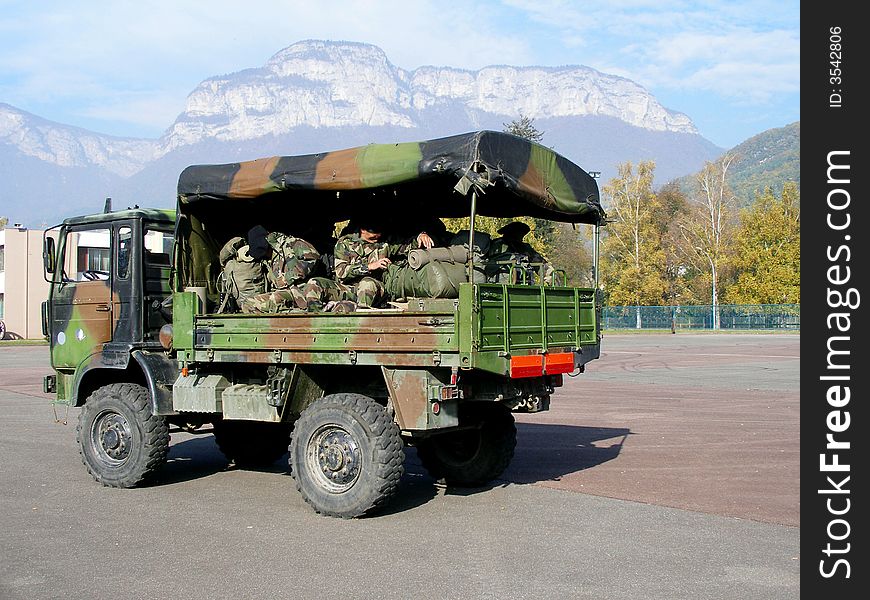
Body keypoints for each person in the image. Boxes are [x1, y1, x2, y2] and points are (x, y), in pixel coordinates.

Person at [333, 221, 434, 307]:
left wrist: (419, 237)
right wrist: (369, 266)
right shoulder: (344, 244)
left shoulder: (386, 243)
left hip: (376, 288)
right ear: (363, 230)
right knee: (317, 284)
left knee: (367, 284)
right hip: (349, 288)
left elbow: (405, 246)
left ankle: (361, 323)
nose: (377, 238)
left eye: (379, 234)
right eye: (373, 237)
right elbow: (341, 273)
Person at [488, 221, 555, 285]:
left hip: (500, 283)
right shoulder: (522, 247)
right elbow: (538, 261)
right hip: (506, 283)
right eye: (520, 234)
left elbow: (538, 262)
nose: (521, 237)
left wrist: (549, 273)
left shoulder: (493, 244)